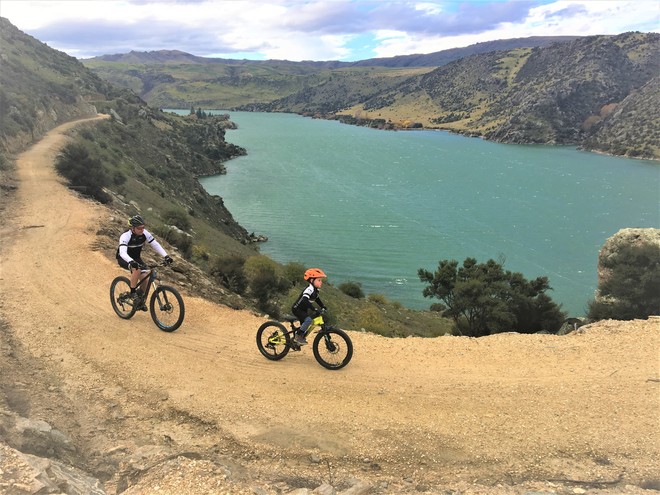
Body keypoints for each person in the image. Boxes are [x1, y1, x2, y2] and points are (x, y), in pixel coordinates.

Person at [116, 214, 172, 306]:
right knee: (137, 270)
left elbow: (155, 244)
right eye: (139, 228)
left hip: (136, 258)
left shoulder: (145, 233)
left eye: (143, 227)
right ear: (132, 228)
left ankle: (139, 299)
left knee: (145, 279)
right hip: (123, 258)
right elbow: (122, 253)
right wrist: (131, 261)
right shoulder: (125, 236)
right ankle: (133, 292)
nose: (142, 230)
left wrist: (166, 256)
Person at [291, 268, 327, 345]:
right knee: (308, 320)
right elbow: (304, 300)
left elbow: (316, 299)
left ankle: (296, 342)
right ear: (311, 281)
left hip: (303, 310)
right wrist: (314, 308)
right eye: (319, 280)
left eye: (321, 280)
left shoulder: (316, 290)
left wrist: (322, 306)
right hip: (297, 309)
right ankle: (297, 337)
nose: (321, 282)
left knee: (304, 326)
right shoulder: (309, 289)